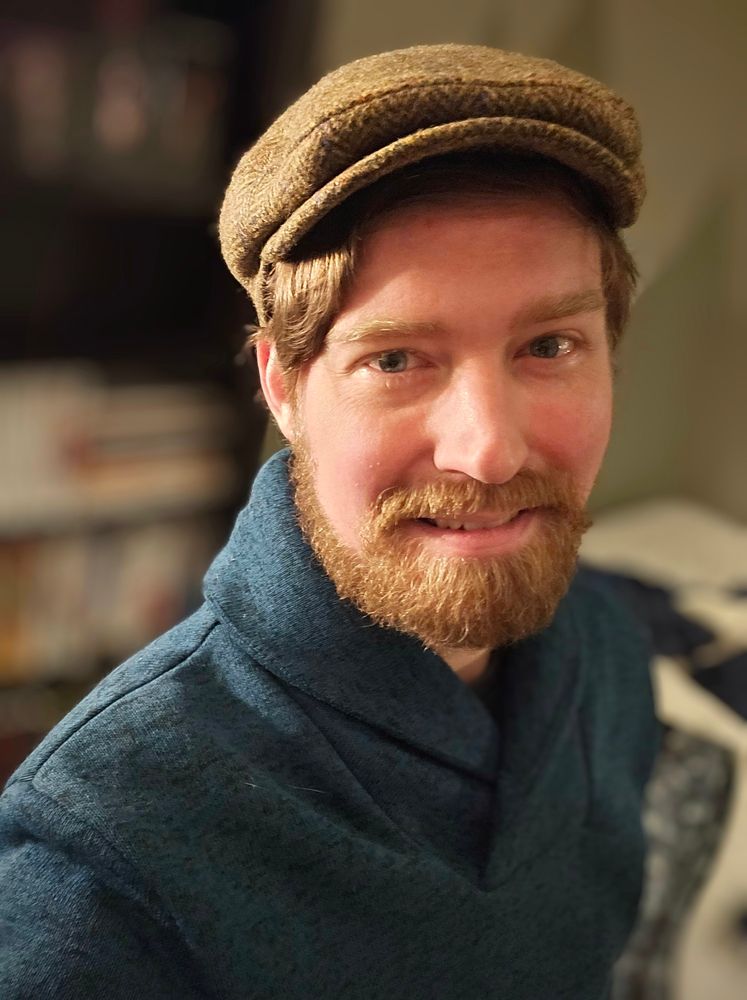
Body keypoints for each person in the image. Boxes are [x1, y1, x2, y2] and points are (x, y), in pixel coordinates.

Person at [0, 44, 658, 999]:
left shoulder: (610, 651)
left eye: (549, 345)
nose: (487, 452)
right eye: (395, 360)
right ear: (283, 387)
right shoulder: (107, 846)